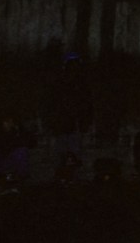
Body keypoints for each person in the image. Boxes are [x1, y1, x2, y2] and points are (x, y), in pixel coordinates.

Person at [46, 52, 93, 186]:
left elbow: (87, 104)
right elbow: (51, 103)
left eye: (76, 65)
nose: (74, 68)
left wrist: (85, 122)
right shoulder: (58, 83)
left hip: (75, 123)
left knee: (74, 152)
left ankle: (72, 177)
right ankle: (60, 176)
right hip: (61, 123)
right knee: (60, 152)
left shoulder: (82, 84)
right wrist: (51, 122)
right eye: (71, 65)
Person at [0, 113, 36, 195]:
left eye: (11, 122)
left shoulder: (17, 130)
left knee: (22, 151)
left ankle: (18, 182)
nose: (9, 124)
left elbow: (31, 142)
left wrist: (19, 136)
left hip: (11, 159)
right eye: (7, 122)